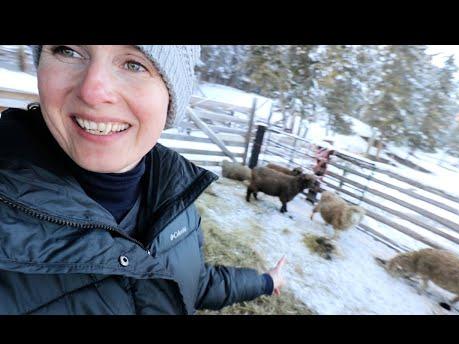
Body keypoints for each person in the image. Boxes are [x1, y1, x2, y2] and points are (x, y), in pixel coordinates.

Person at [0, 45, 286, 315]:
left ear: (172, 96)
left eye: (134, 64)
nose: (92, 91)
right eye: (68, 50)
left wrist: (264, 282)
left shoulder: (177, 203)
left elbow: (191, 282)